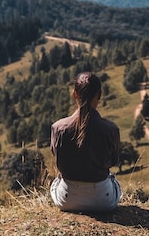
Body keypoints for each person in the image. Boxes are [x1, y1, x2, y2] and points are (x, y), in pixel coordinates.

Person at [49, 71, 122, 212]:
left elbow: (56, 155)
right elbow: (113, 161)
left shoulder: (58, 128)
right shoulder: (111, 129)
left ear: (74, 94)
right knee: (113, 179)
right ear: (99, 95)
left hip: (67, 198)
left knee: (56, 181)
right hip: (103, 200)